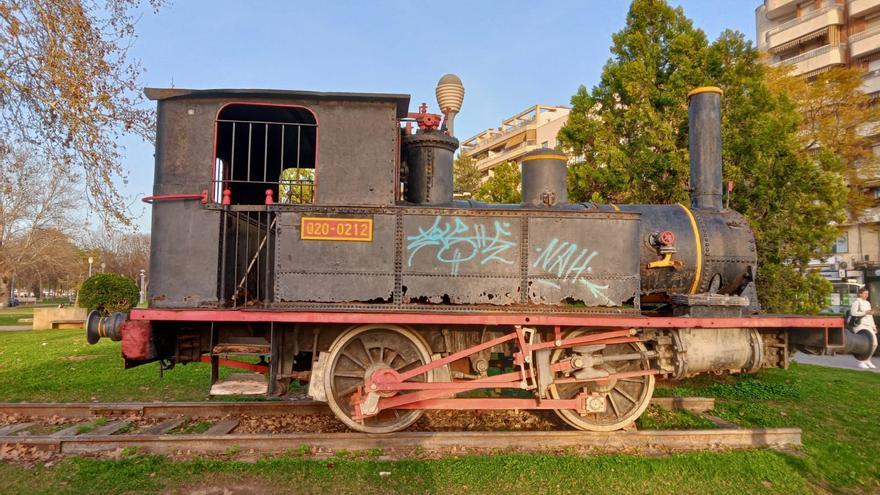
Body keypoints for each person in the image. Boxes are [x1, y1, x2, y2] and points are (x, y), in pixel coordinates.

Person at [849, 287, 878, 369]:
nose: (866, 295)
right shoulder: (856, 302)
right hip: (860, 325)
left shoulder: (867, 303)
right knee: (862, 345)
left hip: (868, 325)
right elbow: (853, 313)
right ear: (860, 294)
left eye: (867, 294)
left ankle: (867, 360)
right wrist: (865, 312)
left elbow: (870, 316)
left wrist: (873, 326)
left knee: (874, 343)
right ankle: (860, 361)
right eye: (865, 293)